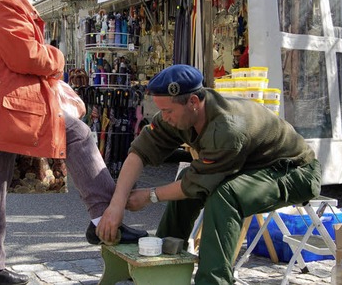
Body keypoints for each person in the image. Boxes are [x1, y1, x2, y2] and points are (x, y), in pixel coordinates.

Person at [0, 0, 147, 284]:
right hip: (4, 105)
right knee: (78, 134)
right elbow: (24, 55)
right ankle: (103, 217)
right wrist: (59, 59)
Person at [96, 64, 322, 285]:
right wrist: (116, 205)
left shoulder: (226, 129)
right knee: (183, 189)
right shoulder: (182, 111)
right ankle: (161, 265)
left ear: (193, 102)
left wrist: (150, 195)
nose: (163, 118)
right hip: (252, 166)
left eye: (167, 111)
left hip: (294, 171)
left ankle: (213, 280)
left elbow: (198, 182)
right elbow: (139, 152)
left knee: (225, 196)